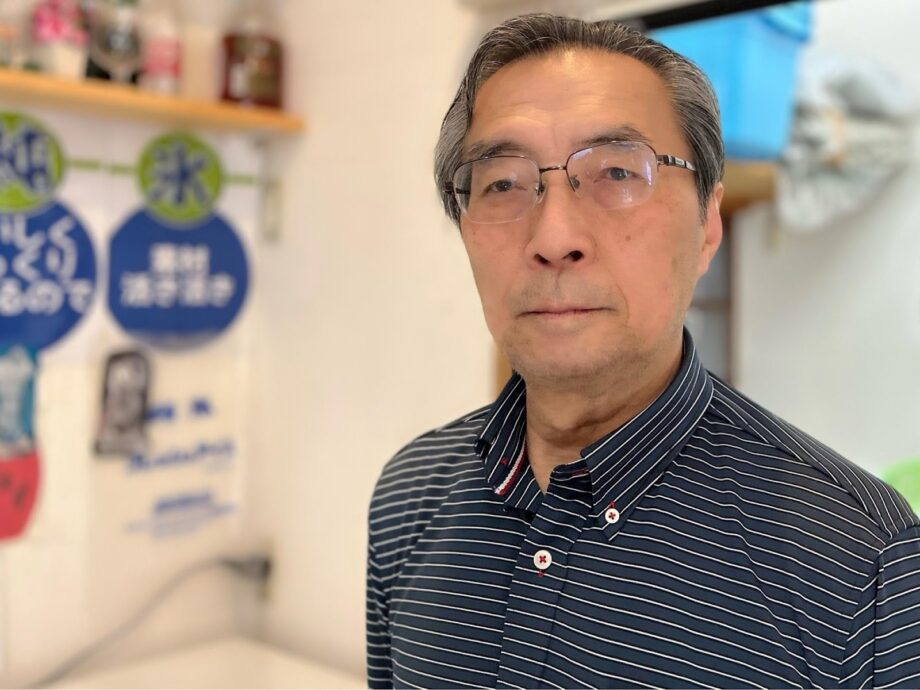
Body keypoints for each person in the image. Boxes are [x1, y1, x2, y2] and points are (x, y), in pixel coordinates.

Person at [366, 13, 920, 689]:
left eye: (617, 172)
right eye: (503, 182)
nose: (554, 237)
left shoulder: (860, 562)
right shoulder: (408, 498)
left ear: (707, 224)